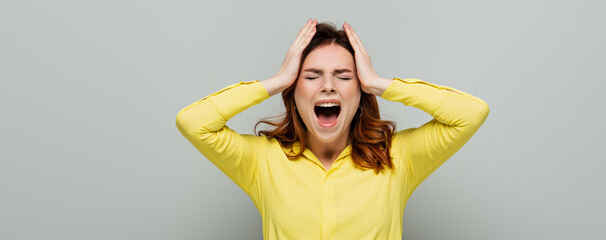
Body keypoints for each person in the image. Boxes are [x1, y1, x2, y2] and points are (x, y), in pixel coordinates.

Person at [175, 18, 489, 240]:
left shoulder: (397, 156)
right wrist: (274, 82)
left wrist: (380, 84)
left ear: (360, 90)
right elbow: (193, 123)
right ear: (294, 92)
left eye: (343, 76)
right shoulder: (262, 161)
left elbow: (471, 114)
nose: (327, 86)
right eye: (311, 77)